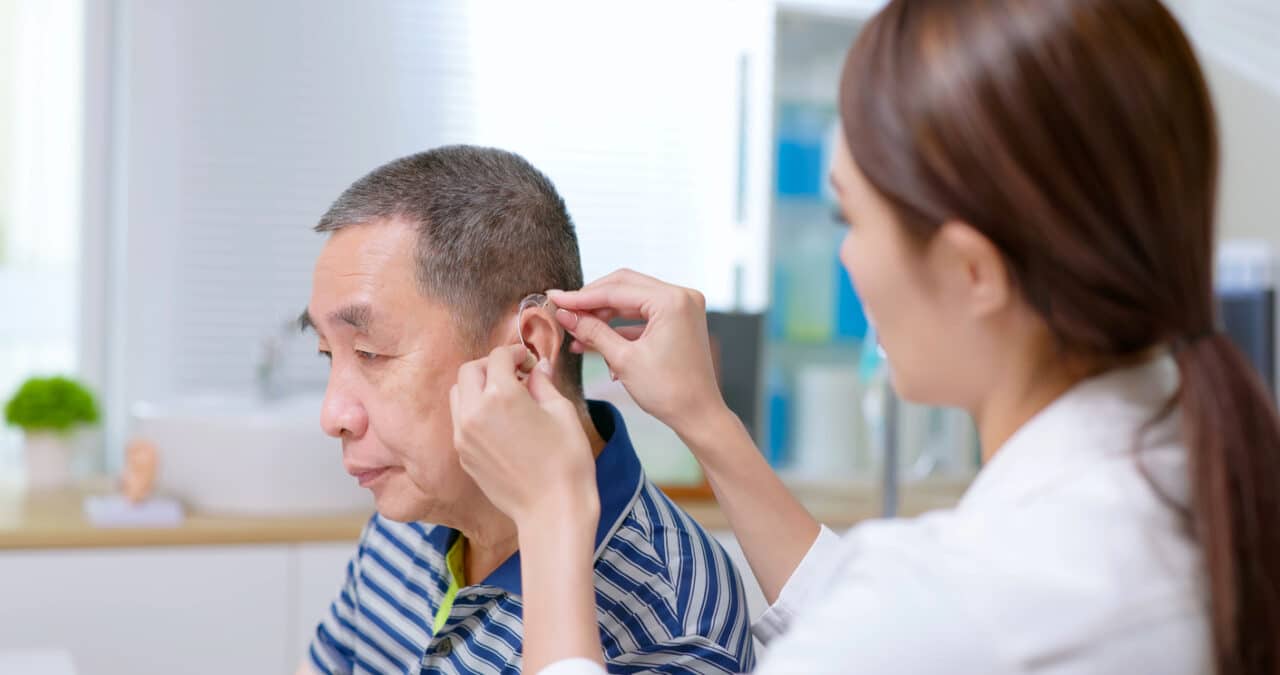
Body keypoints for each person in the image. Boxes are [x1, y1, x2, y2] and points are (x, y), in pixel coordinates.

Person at [447, 1, 1280, 674]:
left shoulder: (958, 601)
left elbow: (909, 626)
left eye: (851, 215)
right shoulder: (1193, 471)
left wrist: (554, 513)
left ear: (969, 270)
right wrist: (705, 419)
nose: (844, 254)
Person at [296, 145, 756, 674]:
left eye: (371, 353)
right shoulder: (409, 513)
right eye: (329, 355)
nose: (334, 415)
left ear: (530, 349)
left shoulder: (675, 620)